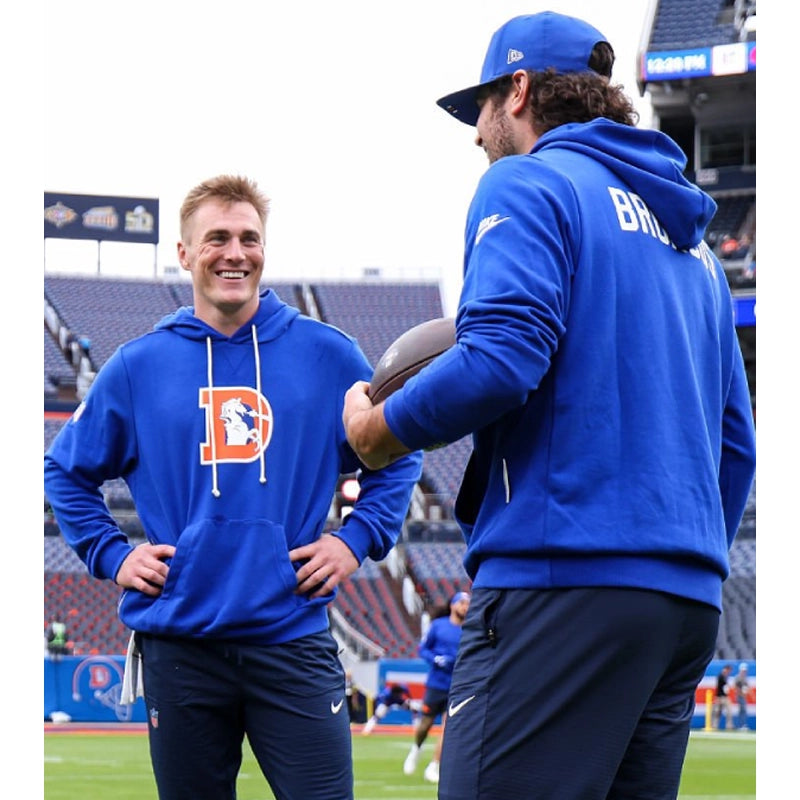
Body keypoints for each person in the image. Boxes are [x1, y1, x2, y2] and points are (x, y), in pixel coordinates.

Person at [343, 11, 756, 799]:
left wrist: (377, 432)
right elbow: (737, 446)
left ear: (521, 90)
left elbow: (500, 359)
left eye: (483, 109)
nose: (476, 136)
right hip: (684, 604)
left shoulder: (527, 180)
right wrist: (684, 553)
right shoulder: (695, 245)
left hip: (562, 581)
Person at [43, 174, 423, 800]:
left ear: (264, 250)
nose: (235, 253)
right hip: (182, 647)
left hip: (292, 639)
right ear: (185, 253)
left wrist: (355, 541)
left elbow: (397, 451)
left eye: (249, 238)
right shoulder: (139, 366)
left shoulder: (328, 354)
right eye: (216, 238)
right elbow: (65, 470)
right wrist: (113, 553)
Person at [403, 591, 470, 783]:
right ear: (453, 605)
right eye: (462, 603)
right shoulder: (438, 626)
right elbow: (423, 649)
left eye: (468, 603)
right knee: (425, 724)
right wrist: (436, 659)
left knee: (448, 728)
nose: (465, 606)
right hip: (436, 684)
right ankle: (416, 749)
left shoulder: (470, 629)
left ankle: (434, 765)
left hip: (458, 686)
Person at [712, 663, 734, 731]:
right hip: (720, 697)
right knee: (717, 712)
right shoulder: (721, 676)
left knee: (729, 711)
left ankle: (729, 726)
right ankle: (714, 725)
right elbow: (719, 687)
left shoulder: (724, 676)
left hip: (724, 697)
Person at [733, 662, 750, 730]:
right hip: (740, 696)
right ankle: (741, 725)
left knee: (743, 711)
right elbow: (736, 687)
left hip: (743, 696)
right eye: (743, 671)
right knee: (742, 710)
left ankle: (742, 724)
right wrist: (740, 693)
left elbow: (746, 686)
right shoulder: (738, 677)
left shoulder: (745, 677)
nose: (744, 672)